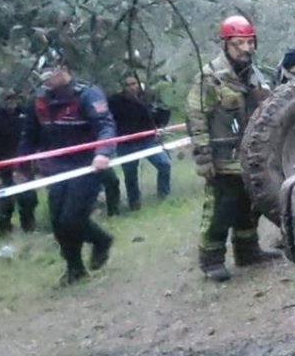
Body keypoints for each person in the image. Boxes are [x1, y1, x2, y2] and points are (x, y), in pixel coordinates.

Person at [185, 15, 279, 282]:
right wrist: (204, 158)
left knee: (251, 206)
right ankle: (211, 259)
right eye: (239, 43)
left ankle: (248, 251)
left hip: (253, 156)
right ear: (226, 44)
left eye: (250, 43)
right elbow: (196, 118)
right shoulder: (210, 77)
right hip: (222, 157)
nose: (246, 49)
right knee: (220, 209)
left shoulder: (257, 76)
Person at [17, 59, 117, 286]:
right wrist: (22, 168)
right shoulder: (39, 101)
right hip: (56, 168)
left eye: (50, 73)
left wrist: (103, 152)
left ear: (64, 69)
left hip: (88, 165)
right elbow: (29, 136)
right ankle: (75, 268)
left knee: (72, 218)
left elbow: (105, 125)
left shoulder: (88, 94)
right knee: (57, 222)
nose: (46, 80)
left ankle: (101, 240)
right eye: (42, 76)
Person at [0, 89, 38, 236]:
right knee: (6, 202)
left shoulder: (25, 113)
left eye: (13, 99)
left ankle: (29, 229)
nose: (11, 103)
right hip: (2, 167)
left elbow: (34, 136)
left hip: (23, 166)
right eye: (7, 100)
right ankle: (4, 233)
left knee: (28, 198)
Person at [108, 73, 172, 211]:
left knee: (164, 163)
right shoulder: (114, 101)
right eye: (128, 85)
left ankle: (164, 195)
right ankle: (134, 203)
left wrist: (159, 127)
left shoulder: (147, 97)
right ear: (122, 87)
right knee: (130, 174)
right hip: (126, 142)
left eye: (134, 84)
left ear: (139, 84)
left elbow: (159, 115)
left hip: (147, 140)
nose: (131, 87)